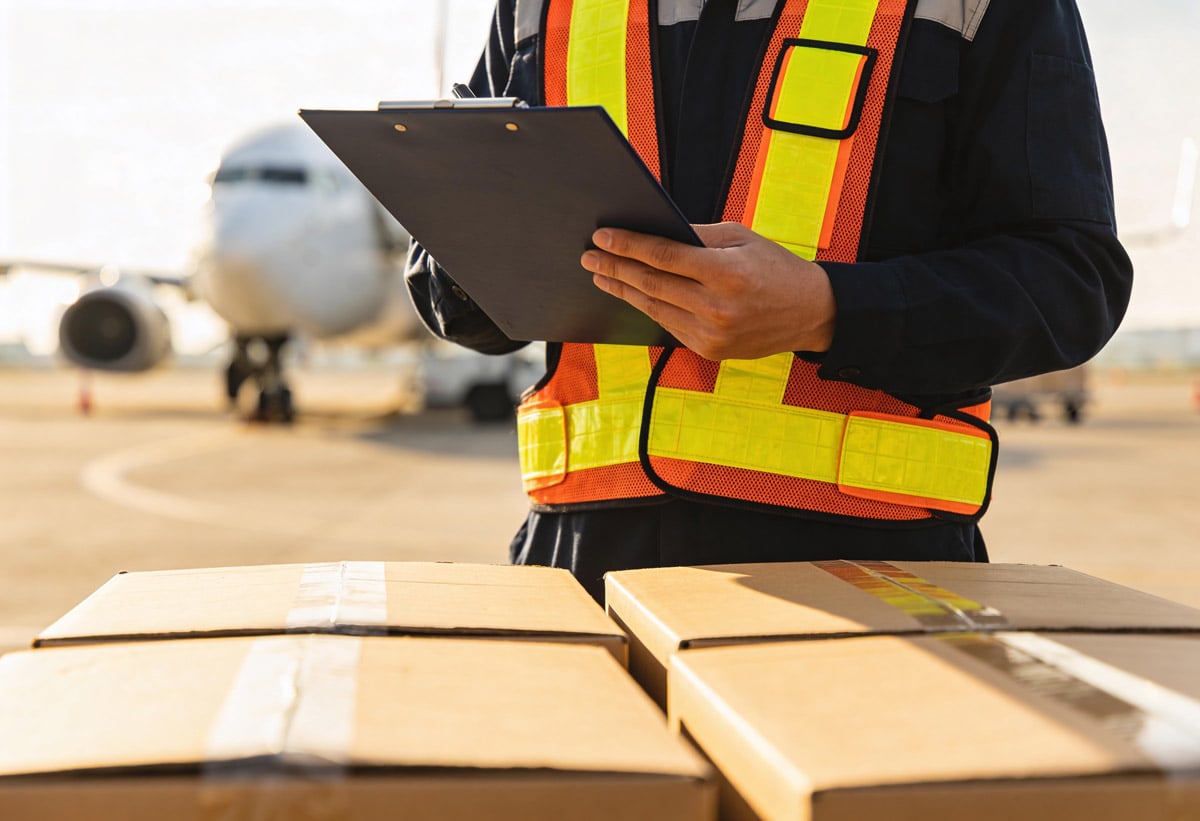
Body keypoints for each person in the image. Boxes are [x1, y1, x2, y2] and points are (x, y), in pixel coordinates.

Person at [407, 0, 1132, 602]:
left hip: (869, 576)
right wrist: (482, 252)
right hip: (579, 568)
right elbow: (447, 287)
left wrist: (832, 309)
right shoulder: (539, 6)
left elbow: (1073, 279)